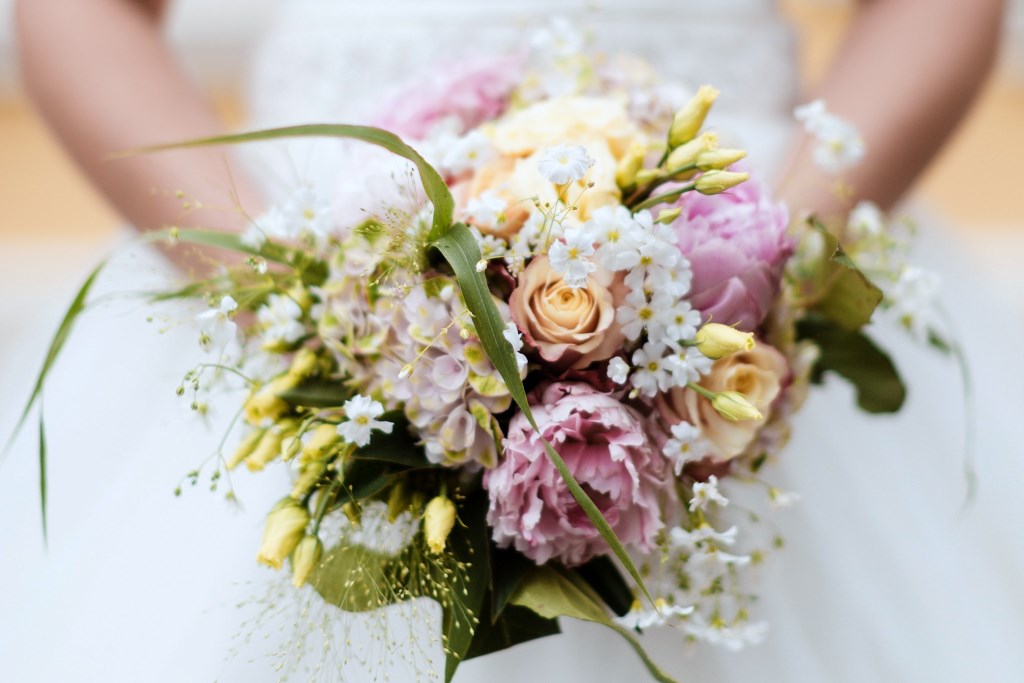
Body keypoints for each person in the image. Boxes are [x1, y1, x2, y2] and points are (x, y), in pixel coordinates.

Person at [4, 0, 1021, 681]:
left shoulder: (746, 269)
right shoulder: (303, 289)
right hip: (317, 251)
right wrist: (287, 298)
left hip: (726, 238)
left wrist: (763, 265)